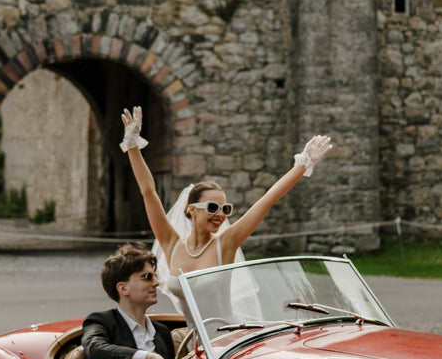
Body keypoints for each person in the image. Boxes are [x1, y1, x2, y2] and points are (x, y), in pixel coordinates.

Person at [119, 106, 333, 323]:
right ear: (191, 209)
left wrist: (303, 163)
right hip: (193, 343)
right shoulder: (171, 243)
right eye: (212, 207)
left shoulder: (226, 243)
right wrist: (133, 145)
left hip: (224, 341)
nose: (220, 215)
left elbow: (267, 199)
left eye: (225, 209)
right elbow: (148, 192)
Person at [81, 242, 174, 359]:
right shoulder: (100, 321)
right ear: (123, 288)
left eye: (155, 276)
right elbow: (95, 349)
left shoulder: (162, 332)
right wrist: (148, 356)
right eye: (147, 277)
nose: (156, 283)